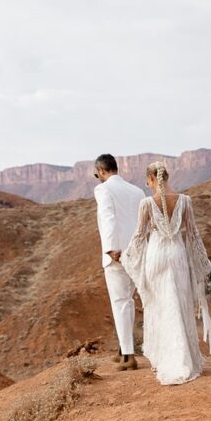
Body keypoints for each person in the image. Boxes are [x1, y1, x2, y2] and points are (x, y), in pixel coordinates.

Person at [121, 161, 211, 385]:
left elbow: (139, 237)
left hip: (156, 257)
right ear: (167, 177)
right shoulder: (185, 201)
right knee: (178, 305)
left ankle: (164, 359)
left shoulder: (146, 203)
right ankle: (184, 359)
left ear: (151, 179)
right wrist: (203, 262)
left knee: (161, 306)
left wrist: (125, 256)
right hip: (178, 256)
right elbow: (193, 235)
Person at [92, 152, 147, 371]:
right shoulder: (137, 191)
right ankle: (123, 349)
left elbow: (108, 219)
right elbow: (144, 222)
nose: (99, 178)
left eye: (98, 174)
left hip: (117, 253)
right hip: (139, 252)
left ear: (102, 171)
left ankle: (128, 356)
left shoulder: (103, 189)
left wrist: (110, 249)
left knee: (121, 301)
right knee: (131, 301)